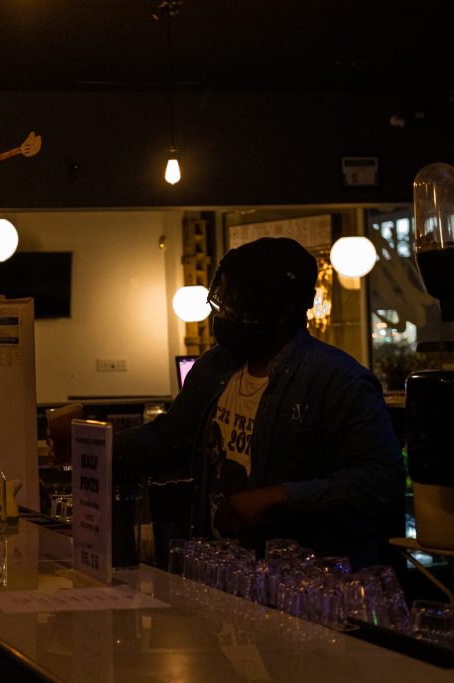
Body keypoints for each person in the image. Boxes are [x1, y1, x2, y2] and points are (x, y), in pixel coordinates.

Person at [116, 237, 405, 569]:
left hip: (301, 582)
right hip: (220, 570)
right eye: (223, 297)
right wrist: (100, 446)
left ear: (283, 310)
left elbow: (382, 481)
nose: (224, 311)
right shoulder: (215, 366)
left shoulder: (337, 380)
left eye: (239, 302)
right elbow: (171, 438)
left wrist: (278, 496)